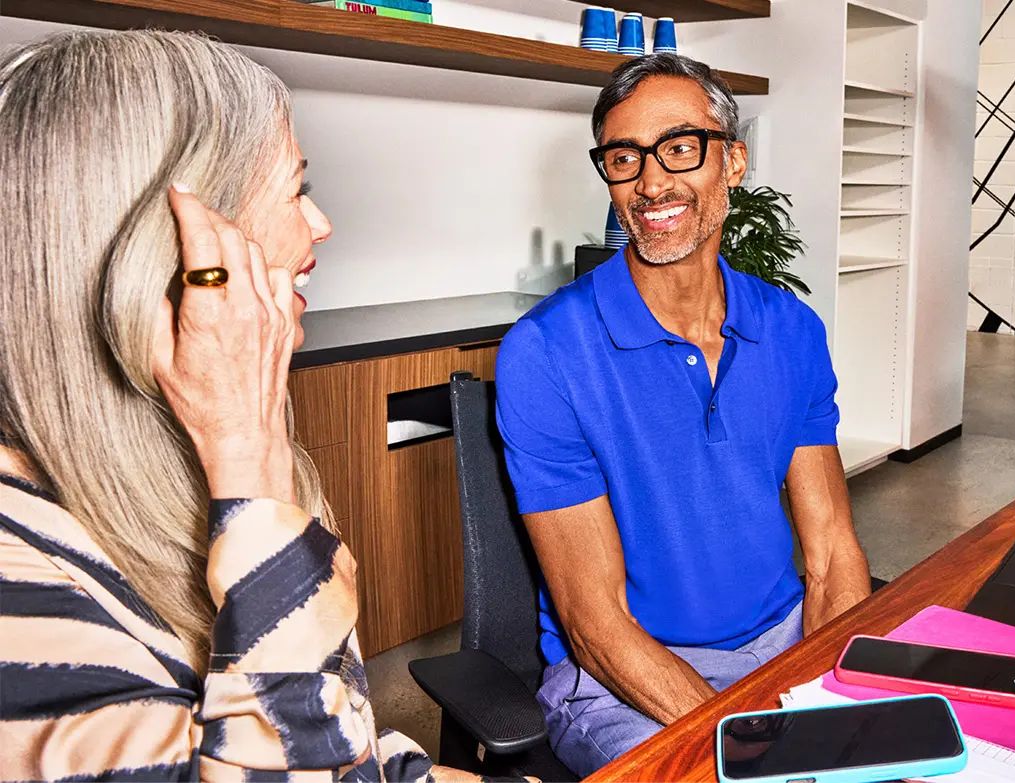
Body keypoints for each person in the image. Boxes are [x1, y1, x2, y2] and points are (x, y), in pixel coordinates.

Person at [0, 30, 480, 780]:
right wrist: (248, 458)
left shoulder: (184, 466)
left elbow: (327, 724)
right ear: (184, 247)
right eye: (297, 188)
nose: (320, 224)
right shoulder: (18, 577)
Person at [494, 54, 872, 775]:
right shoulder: (545, 352)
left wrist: (832, 694)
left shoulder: (790, 329)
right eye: (624, 158)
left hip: (783, 645)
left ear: (732, 161)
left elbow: (831, 556)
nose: (651, 182)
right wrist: (757, 739)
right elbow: (594, 623)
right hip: (623, 682)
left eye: (679, 147)